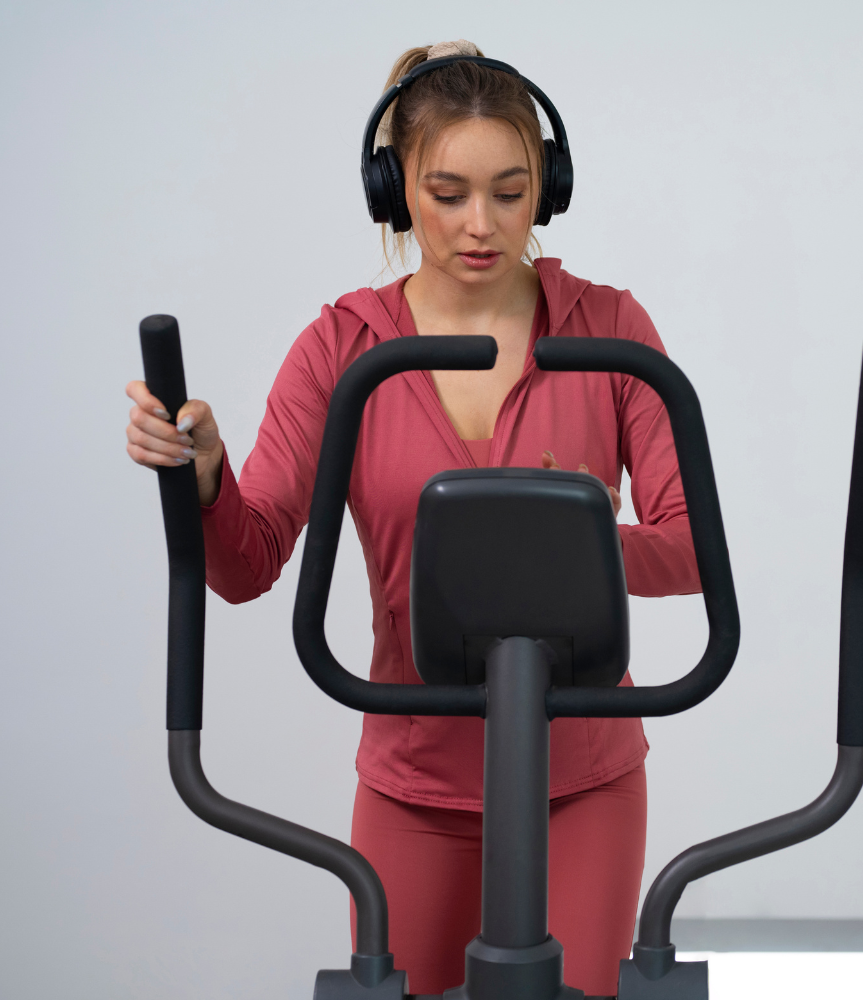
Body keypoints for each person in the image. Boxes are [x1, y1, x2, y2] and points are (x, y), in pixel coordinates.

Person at [125, 40, 701, 997]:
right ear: (394, 190)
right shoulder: (343, 347)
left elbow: (686, 548)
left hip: (583, 777)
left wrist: (594, 542)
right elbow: (249, 560)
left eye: (512, 192)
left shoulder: (611, 329)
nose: (483, 225)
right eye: (448, 193)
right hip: (416, 779)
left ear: (547, 187)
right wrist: (205, 480)